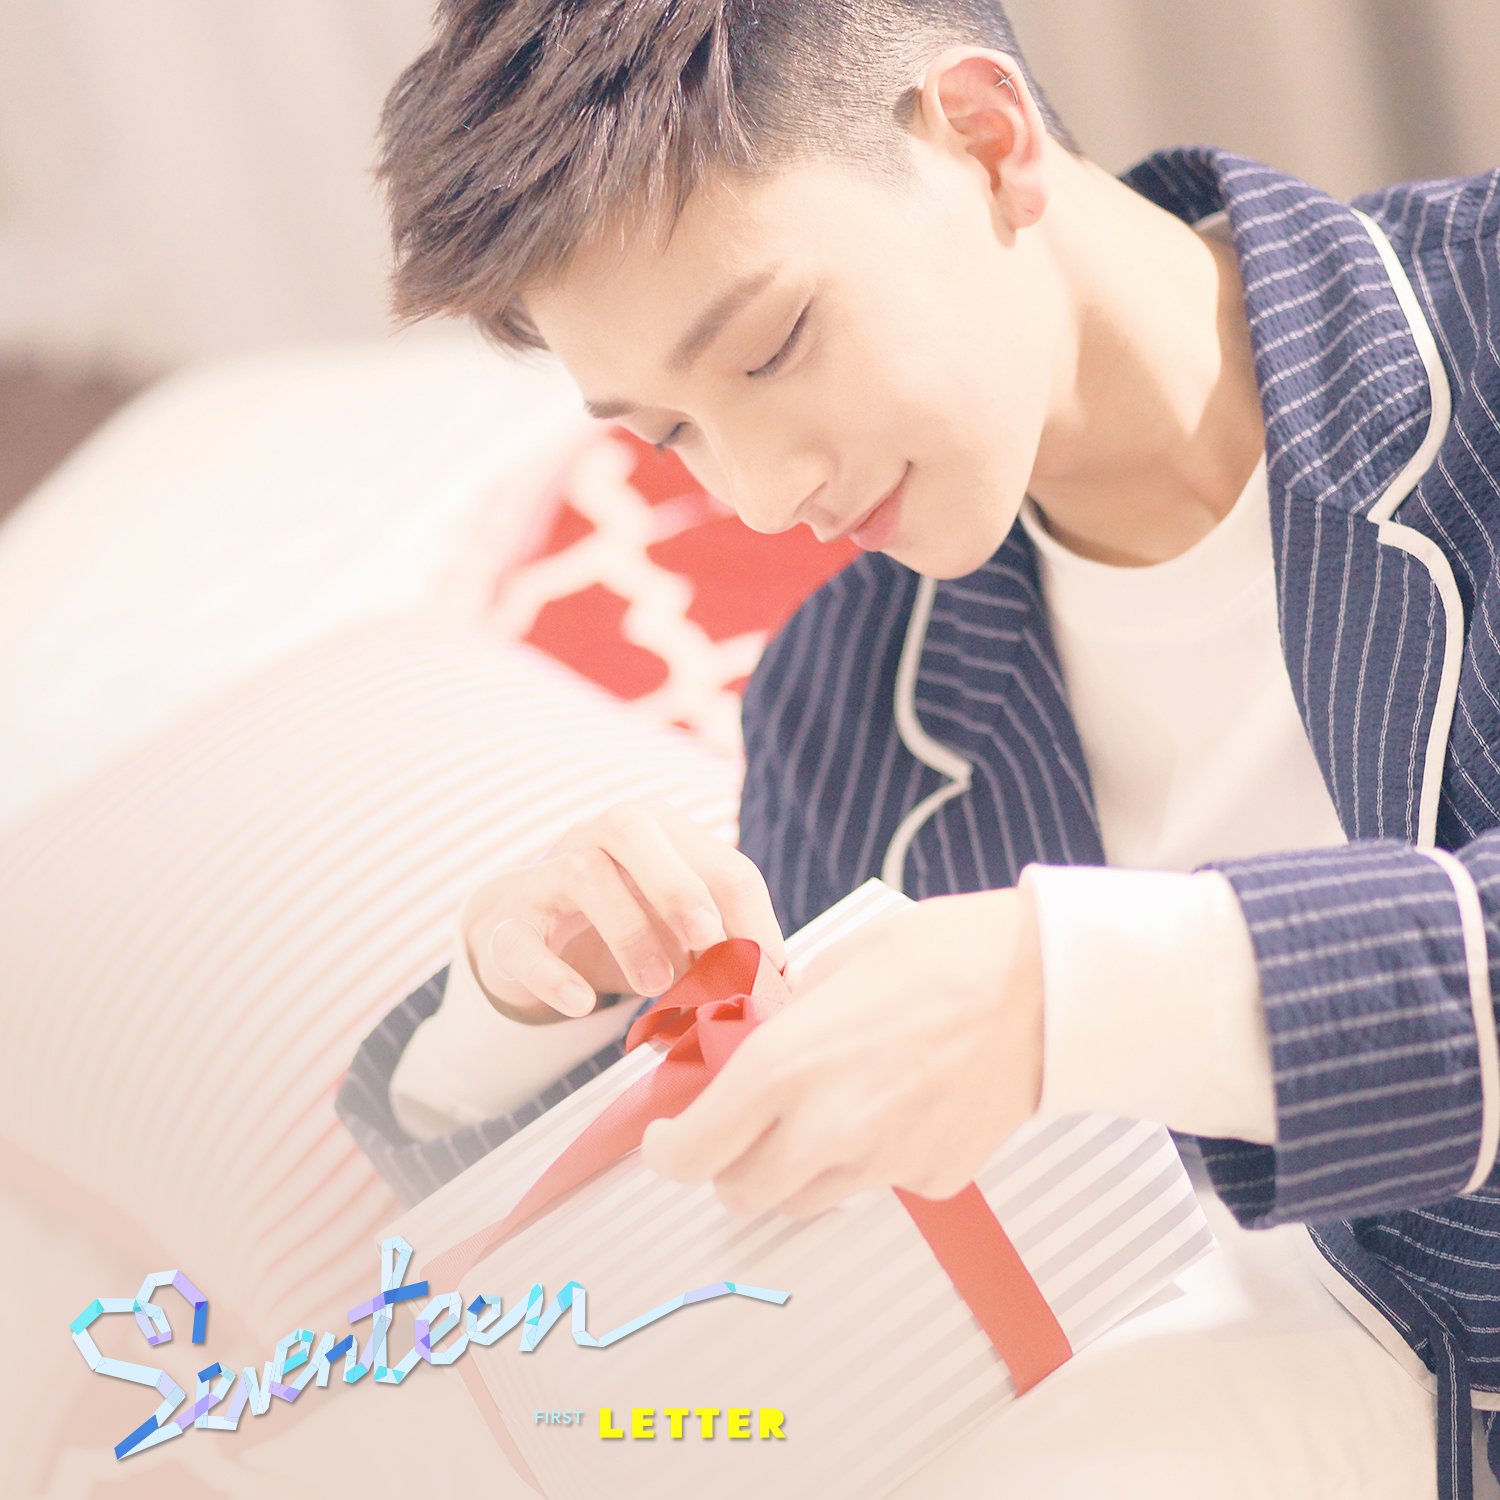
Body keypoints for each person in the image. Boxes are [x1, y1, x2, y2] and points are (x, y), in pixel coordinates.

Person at [334, 2, 1500, 1495]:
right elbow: (700, 1263)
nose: (761, 497)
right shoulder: (848, 702)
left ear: (986, 140)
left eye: (771, 347)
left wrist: (1072, 993)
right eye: (670, 436)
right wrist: (515, 1006)